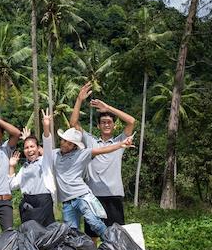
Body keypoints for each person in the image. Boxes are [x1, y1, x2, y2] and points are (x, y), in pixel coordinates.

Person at [70, 81, 136, 239]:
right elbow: (73, 124)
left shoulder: (120, 142)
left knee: (116, 235)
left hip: (114, 195)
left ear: (114, 125)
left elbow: (132, 121)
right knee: (92, 235)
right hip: (93, 196)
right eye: (103, 122)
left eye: (109, 122)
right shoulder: (91, 141)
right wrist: (79, 99)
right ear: (98, 126)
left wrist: (108, 108)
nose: (106, 124)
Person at [47, 126, 133, 240]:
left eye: (70, 143)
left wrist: (120, 144)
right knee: (71, 231)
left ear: (74, 146)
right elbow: (43, 147)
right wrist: (45, 127)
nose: (65, 144)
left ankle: (112, 244)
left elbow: (102, 150)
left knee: (95, 223)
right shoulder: (54, 154)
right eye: (64, 141)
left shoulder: (81, 154)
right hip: (67, 201)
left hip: (82, 196)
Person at [8, 109, 57, 227]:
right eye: (26, 147)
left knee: (44, 234)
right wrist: (11, 167)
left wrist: (46, 127)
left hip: (43, 201)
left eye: (32, 147)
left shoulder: (45, 161)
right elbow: (12, 185)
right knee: (29, 236)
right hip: (27, 202)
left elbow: (47, 142)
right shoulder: (24, 168)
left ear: (38, 148)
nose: (29, 150)